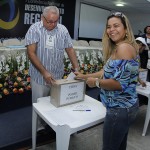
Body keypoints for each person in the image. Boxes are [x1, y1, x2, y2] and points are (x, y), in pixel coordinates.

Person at [75, 12, 139, 150]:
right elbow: (105, 72)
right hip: (124, 108)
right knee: (119, 146)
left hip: (120, 109)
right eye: (108, 26)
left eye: (116, 25)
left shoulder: (123, 48)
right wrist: (84, 76)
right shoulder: (120, 46)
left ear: (126, 29)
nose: (111, 30)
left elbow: (119, 84)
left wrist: (96, 83)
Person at [25, 6, 79, 129]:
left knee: (55, 103)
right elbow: (31, 53)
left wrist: (77, 69)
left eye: (56, 21)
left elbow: (70, 49)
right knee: (40, 103)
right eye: (49, 21)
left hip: (57, 76)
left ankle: (52, 125)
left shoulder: (63, 30)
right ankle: (38, 127)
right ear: (42, 18)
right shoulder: (34, 29)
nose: (53, 24)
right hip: (40, 77)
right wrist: (44, 72)